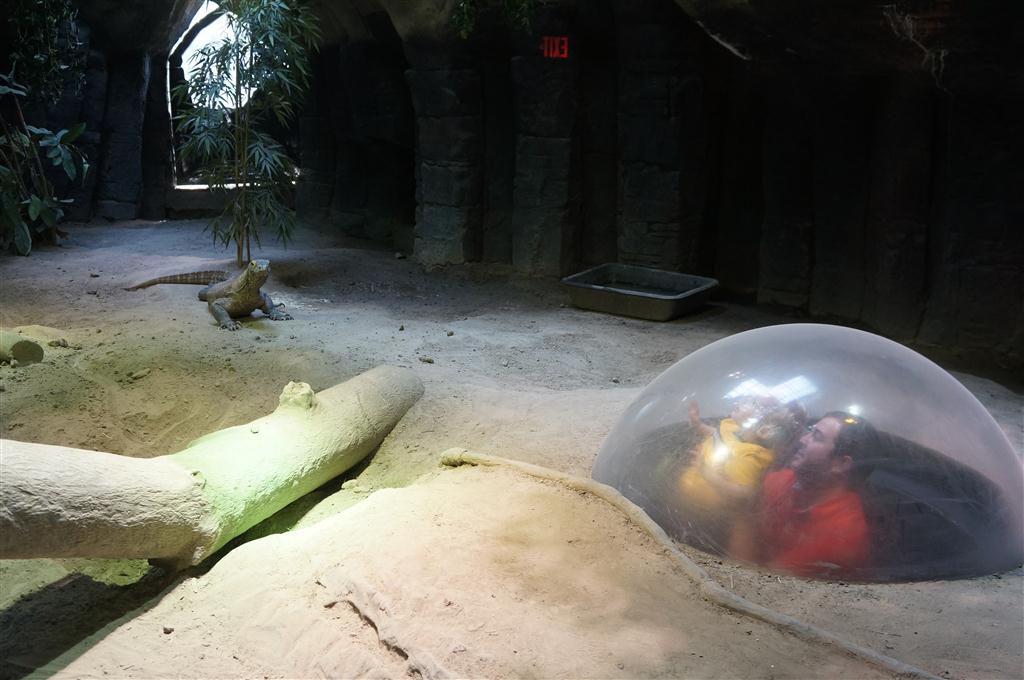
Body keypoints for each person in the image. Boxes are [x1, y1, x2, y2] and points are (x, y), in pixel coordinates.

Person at [730, 412, 874, 578]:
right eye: (810, 431)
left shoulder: (844, 533)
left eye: (816, 437)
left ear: (841, 463)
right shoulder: (786, 479)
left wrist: (740, 513)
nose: (803, 439)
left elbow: (763, 581)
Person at [677, 397, 804, 550]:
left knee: (686, 532)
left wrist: (707, 473)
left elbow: (745, 493)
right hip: (689, 490)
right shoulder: (735, 428)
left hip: (704, 507)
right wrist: (698, 424)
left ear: (764, 431)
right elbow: (716, 434)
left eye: (754, 403)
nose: (741, 402)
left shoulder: (748, 458)